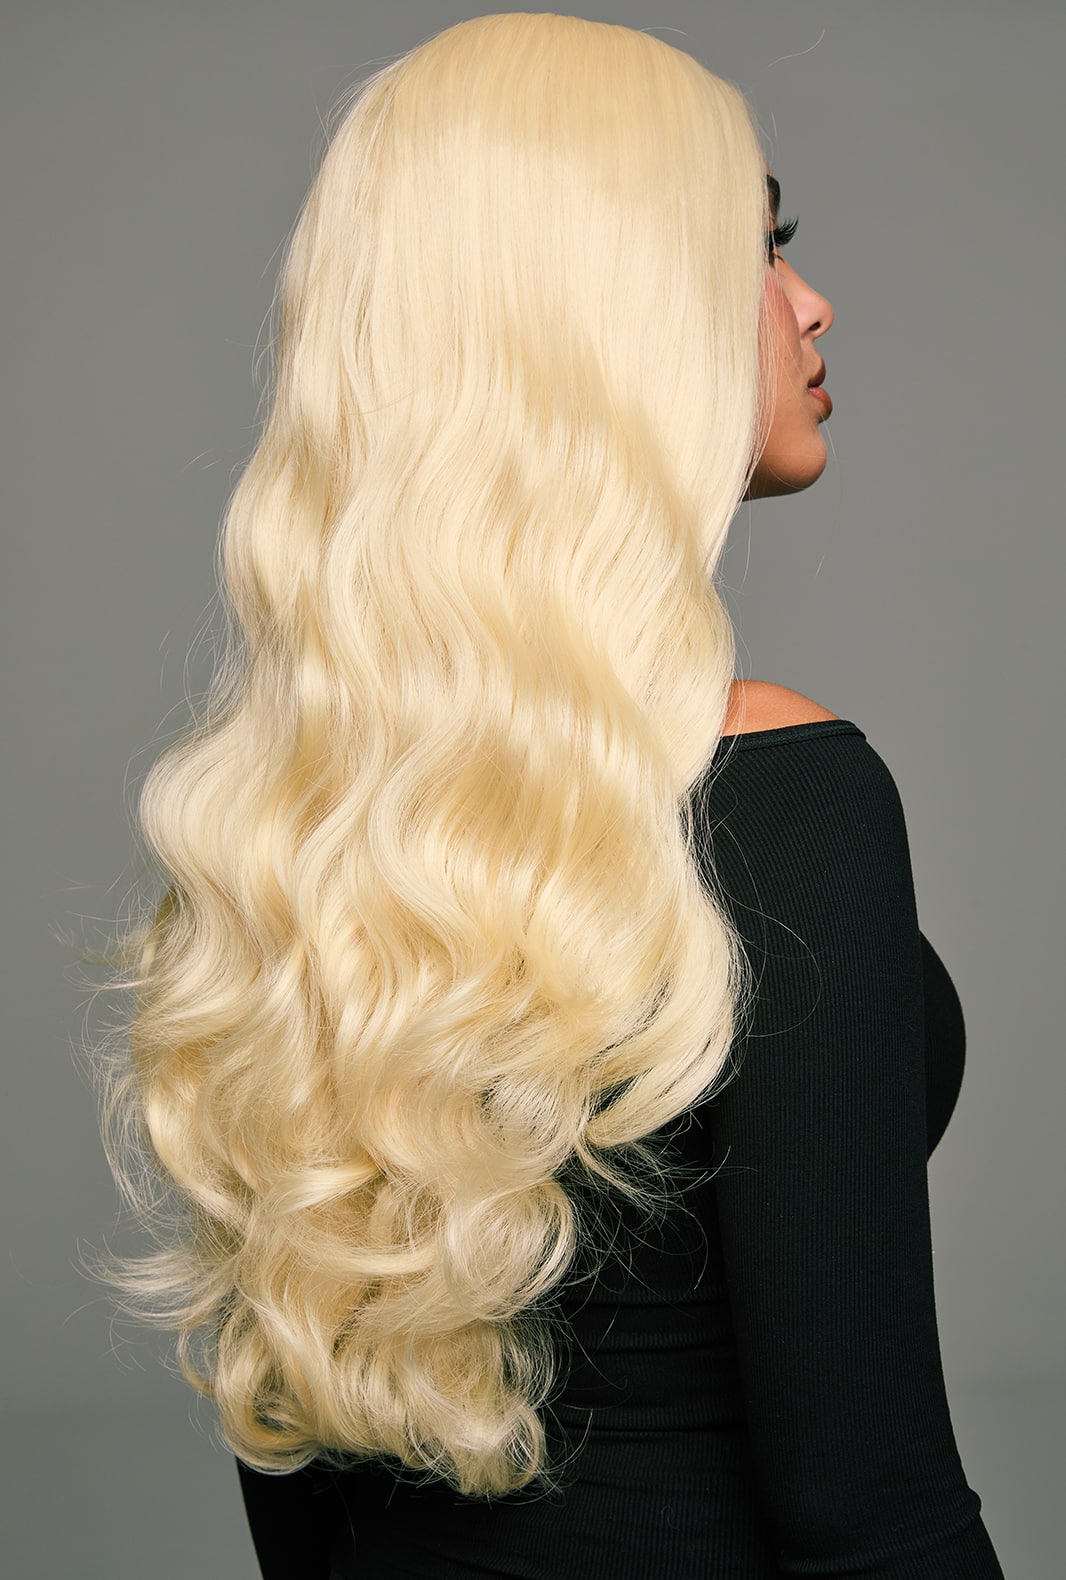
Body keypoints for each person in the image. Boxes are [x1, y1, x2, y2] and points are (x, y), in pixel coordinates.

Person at [84, 13, 1006, 1578]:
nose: (808, 301)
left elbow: (295, 1451)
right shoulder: (782, 798)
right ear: (608, 313)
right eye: (755, 247)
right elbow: (868, 1509)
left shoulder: (277, 829)